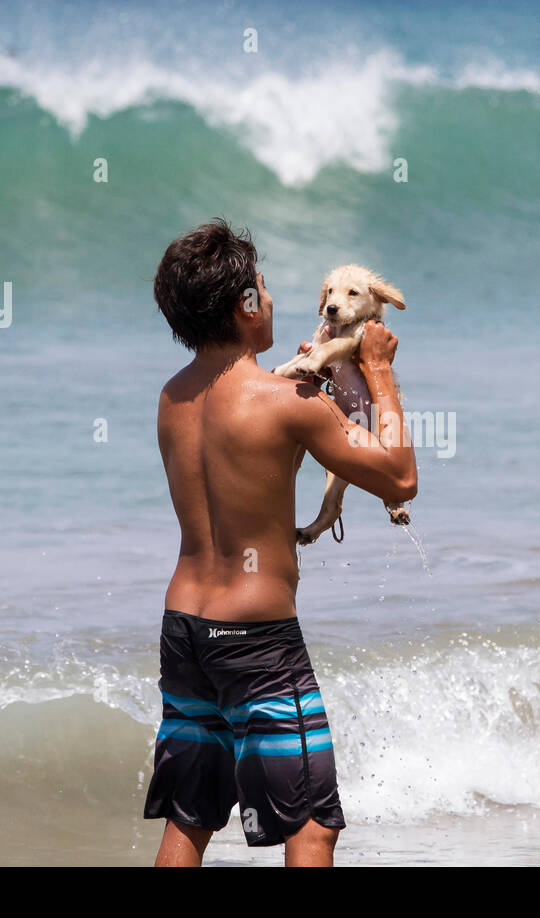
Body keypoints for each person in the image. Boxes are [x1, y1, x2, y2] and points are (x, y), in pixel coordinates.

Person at [143, 220, 417, 866]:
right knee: (313, 825)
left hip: (184, 629)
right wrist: (376, 371)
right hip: (258, 641)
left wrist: (311, 396)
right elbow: (400, 475)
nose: (270, 300)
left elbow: (257, 481)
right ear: (244, 307)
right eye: (262, 290)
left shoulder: (172, 399)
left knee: (190, 816)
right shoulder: (285, 400)